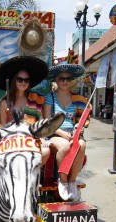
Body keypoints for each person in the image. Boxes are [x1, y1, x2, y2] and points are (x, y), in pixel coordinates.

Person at [42, 61, 89, 202]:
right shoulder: (50, 97)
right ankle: (62, 180)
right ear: (55, 80)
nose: (64, 81)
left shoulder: (78, 98)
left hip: (73, 132)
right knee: (65, 146)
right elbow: (47, 121)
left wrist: (79, 128)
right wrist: (62, 133)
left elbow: (84, 119)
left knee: (82, 145)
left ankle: (72, 181)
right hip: (54, 133)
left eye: (68, 78)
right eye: (61, 78)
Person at [0, 55, 50, 165]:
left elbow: (40, 122)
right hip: (11, 139)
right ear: (14, 81)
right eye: (20, 79)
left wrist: (42, 138)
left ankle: (32, 177)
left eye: (26, 80)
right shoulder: (5, 102)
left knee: (46, 151)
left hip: (31, 138)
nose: (23, 83)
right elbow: (3, 125)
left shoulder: (35, 100)